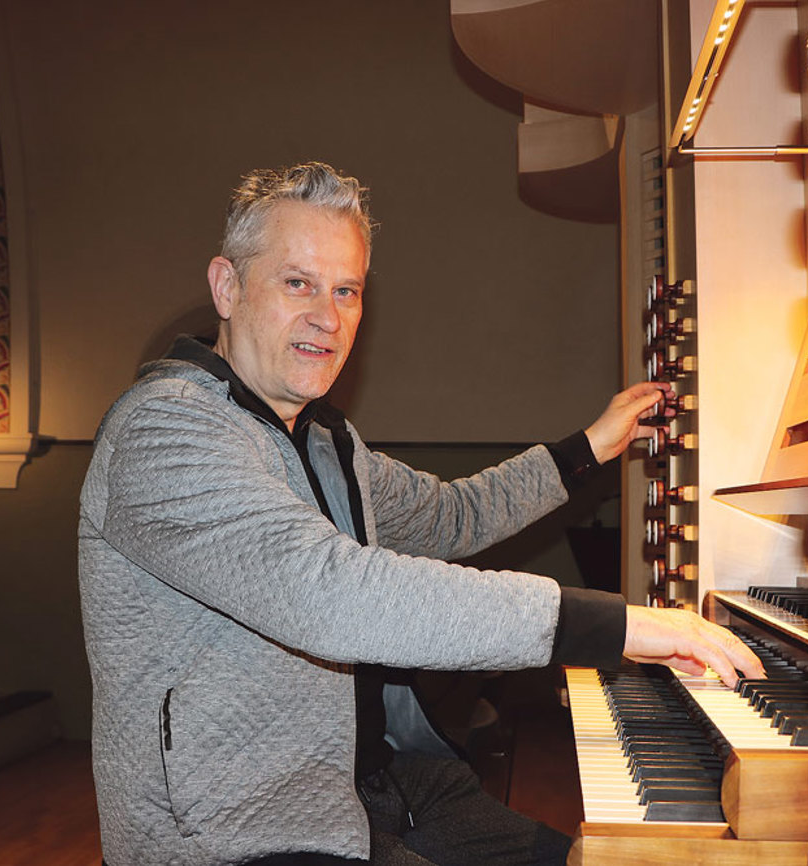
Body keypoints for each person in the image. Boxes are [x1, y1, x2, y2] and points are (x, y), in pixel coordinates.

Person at [78, 162, 764, 866]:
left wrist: (587, 451)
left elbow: (449, 514)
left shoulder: (323, 442)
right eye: (298, 283)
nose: (327, 314)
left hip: (377, 784)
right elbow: (331, 593)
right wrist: (610, 625)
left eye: (346, 290)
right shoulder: (163, 433)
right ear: (227, 286)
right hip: (238, 833)